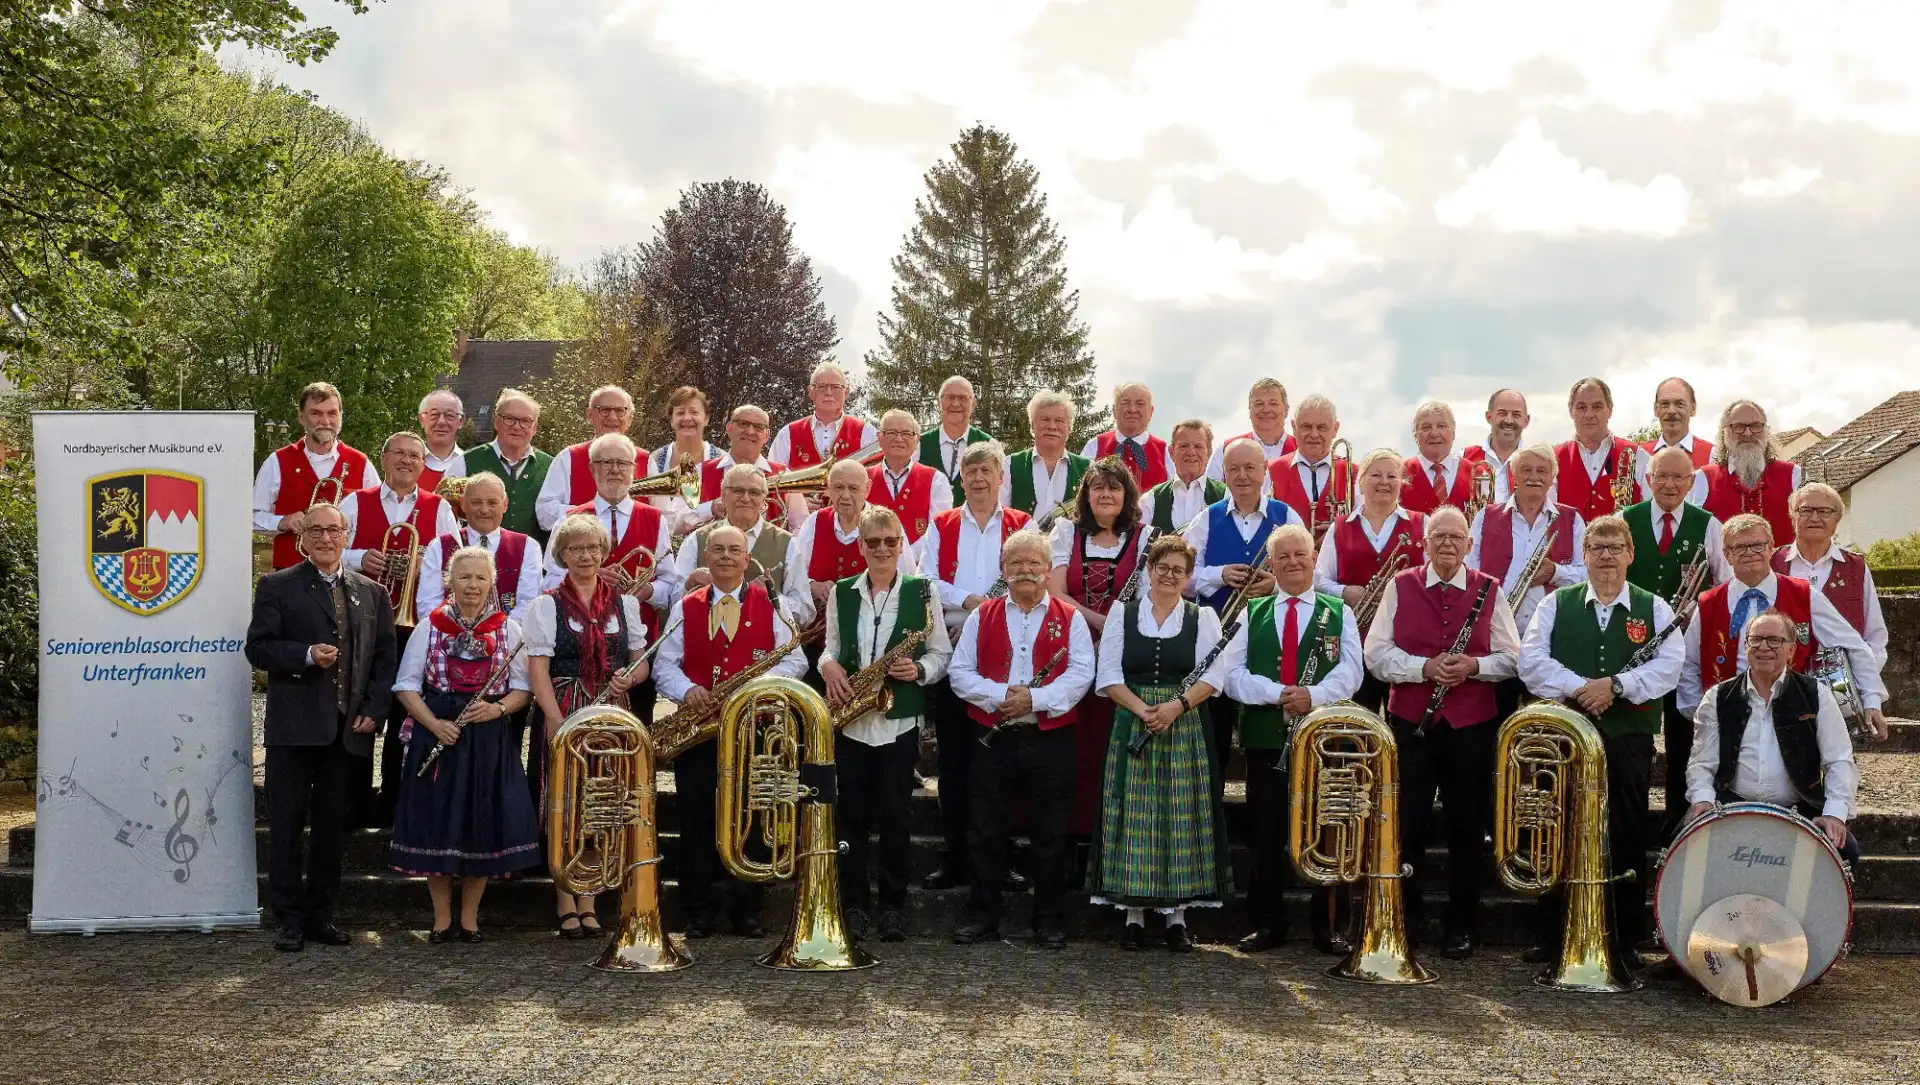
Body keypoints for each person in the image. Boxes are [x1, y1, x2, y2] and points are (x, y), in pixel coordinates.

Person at [1517, 515, 1685, 961]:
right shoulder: (1555, 604)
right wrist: (1579, 687)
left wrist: (1615, 686)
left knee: (1626, 829)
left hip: (1628, 736)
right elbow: (1530, 661)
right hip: (1565, 736)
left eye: (1615, 547)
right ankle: (1551, 933)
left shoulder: (1656, 608)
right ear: (1584, 556)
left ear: (1631, 554)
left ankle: (1624, 936)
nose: (1606, 556)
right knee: (1557, 825)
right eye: (1597, 548)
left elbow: (1670, 666)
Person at [1363, 506, 1521, 960]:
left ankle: (1462, 926)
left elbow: (1513, 658)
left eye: (1456, 537)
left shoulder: (1489, 589)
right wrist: (1423, 668)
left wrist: (1474, 666)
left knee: (1467, 828)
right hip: (1411, 722)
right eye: (1438, 536)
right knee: (1405, 824)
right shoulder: (1400, 585)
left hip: (1471, 726)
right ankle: (1403, 922)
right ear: (1425, 542)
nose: (1447, 544)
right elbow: (1376, 655)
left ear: (1469, 545)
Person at [244, 502, 398, 952]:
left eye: (334, 530)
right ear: (302, 538)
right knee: (287, 825)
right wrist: (306, 655)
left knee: (333, 828)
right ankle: (288, 918)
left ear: (347, 535)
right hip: (294, 729)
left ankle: (321, 915)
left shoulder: (372, 592)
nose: (326, 538)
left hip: (348, 731)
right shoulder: (277, 585)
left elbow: (385, 659)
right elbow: (258, 649)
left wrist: (375, 708)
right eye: (316, 531)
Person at [653, 524, 810, 938]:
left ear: (747, 559)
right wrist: (687, 690)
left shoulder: (774, 603)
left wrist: (753, 688)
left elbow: (796, 662)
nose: (725, 556)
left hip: (755, 728)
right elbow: (663, 664)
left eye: (733, 550)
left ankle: (749, 910)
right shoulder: (684, 605)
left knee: (756, 817)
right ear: (707, 557)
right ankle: (698, 911)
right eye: (717, 549)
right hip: (699, 729)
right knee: (696, 819)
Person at [948, 531, 1097, 948]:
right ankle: (983, 915)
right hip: (993, 738)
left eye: (1034, 564)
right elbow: (960, 673)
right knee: (985, 830)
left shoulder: (1070, 618)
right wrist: (1001, 698)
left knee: (1050, 834)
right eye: (1016, 563)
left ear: (1049, 571)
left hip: (1050, 740)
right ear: (1003, 570)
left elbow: (1082, 674)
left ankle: (1048, 919)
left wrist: (1035, 698)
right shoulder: (983, 615)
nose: (1025, 570)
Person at [1221, 524, 1364, 955]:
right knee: (1266, 834)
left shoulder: (1339, 612)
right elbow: (1231, 675)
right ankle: (1268, 924)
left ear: (1314, 557)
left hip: (1325, 742)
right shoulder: (1253, 612)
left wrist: (1313, 696)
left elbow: (1351, 673)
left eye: (1300, 554)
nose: (1293, 562)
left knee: (1328, 831)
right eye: (1283, 556)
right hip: (1266, 740)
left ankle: (1329, 928)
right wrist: (1277, 695)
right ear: (1273, 563)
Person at [388, 546, 540, 943]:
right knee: (439, 824)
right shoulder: (429, 626)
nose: (472, 585)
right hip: (440, 734)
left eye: (480, 578)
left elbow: (524, 688)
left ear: (492, 583)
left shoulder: (510, 629)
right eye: (464, 577)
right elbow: (406, 686)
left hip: (487, 739)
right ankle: (441, 920)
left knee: (481, 824)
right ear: (449, 581)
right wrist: (434, 724)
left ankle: (469, 920)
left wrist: (498, 710)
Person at [1090, 534, 1233, 953]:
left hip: (1184, 724)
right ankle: (1133, 917)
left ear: (1189, 578)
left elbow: (1214, 678)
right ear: (1149, 569)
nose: (1169, 575)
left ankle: (1177, 918)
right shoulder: (1122, 614)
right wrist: (1144, 710)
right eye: (1162, 567)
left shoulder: (1202, 617)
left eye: (1178, 570)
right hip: (1133, 721)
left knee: (1179, 814)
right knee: (1133, 813)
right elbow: (1108, 678)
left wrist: (1175, 707)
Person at [820, 506, 953, 943]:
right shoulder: (842, 591)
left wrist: (920, 672)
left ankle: (892, 909)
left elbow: (941, 654)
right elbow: (830, 649)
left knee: (896, 818)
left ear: (901, 545)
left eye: (890, 541)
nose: (881, 549)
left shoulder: (922, 591)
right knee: (851, 818)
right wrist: (829, 668)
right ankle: (854, 906)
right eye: (872, 542)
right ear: (860, 546)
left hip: (898, 722)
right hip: (852, 722)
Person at [524, 512, 651, 939]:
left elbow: (641, 662)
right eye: (576, 549)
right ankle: (565, 897)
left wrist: (629, 676)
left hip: (612, 711)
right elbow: (537, 671)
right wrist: (554, 720)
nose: (585, 555)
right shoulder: (546, 604)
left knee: (603, 801)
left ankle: (591, 897)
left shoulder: (625, 603)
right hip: (565, 708)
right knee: (566, 802)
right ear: (562, 554)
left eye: (593, 548)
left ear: (603, 553)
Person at [916, 442, 1031, 891]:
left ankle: (999, 859)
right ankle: (955, 858)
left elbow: (1030, 577)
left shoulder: (1021, 525)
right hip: (953, 645)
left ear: (1001, 477)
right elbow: (925, 580)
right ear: (961, 479)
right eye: (971, 472)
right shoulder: (942, 525)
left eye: (988, 471)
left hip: (1006, 651)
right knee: (955, 761)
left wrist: (990, 613)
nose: (980, 479)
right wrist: (967, 602)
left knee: (1000, 763)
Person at [341, 431, 460, 825]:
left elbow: (455, 564)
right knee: (357, 713)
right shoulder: (355, 502)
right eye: (399, 454)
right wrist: (359, 558)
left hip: (413, 627)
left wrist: (426, 559)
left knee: (403, 718)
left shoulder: (439, 506)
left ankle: (395, 805)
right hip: (360, 625)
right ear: (384, 456)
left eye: (415, 456)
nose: (407, 461)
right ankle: (353, 806)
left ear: (424, 464)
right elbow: (325, 545)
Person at [1677, 514, 1886, 736]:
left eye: (1757, 545)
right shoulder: (1708, 603)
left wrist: (1872, 700)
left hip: (1794, 720)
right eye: (1739, 547)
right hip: (1728, 723)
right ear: (1727, 555)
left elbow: (1854, 646)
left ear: (1771, 548)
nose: (1750, 552)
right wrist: (1701, 714)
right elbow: (1687, 665)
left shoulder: (1804, 595)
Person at [1684, 609, 1862, 864]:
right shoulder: (1718, 697)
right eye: (1755, 639)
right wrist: (1702, 800)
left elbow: (1839, 761)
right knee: (1682, 846)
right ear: (1745, 646)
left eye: (1774, 640)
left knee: (1845, 853)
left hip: (1798, 810)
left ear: (1791, 650)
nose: (1763, 647)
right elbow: (1701, 763)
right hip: (1731, 807)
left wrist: (1834, 815)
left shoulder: (1817, 695)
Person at [1623, 445, 1730, 833]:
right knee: (1634, 736)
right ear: (1648, 480)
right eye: (1661, 476)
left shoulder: (1709, 524)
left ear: (1691, 483)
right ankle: (1630, 822)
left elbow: (1723, 585)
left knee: (1685, 735)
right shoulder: (1625, 519)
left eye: (1678, 477)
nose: (1669, 484)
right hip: (1634, 648)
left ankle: (1678, 822)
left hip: (1688, 649)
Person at [1051, 457, 1154, 844]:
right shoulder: (1066, 533)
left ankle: (1114, 840)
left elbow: (1147, 599)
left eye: (1114, 487)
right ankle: (1071, 837)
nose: (1106, 493)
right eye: (1098, 487)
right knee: (1074, 748)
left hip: (1125, 658)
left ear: (1126, 495)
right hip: (1071, 652)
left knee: (1114, 746)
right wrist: (1100, 622)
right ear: (1087, 495)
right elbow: (1056, 593)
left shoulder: (1145, 538)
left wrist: (1115, 632)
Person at [1182, 439, 1298, 766]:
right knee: (1214, 738)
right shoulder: (1207, 518)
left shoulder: (1286, 515)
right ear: (1225, 474)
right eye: (1234, 469)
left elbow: (1309, 576)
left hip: (1272, 642)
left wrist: (1275, 584)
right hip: (1215, 641)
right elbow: (1182, 576)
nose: (1243, 475)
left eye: (1250, 468)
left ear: (1264, 472)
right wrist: (1219, 575)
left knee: (1266, 736)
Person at [1313, 447, 1425, 711]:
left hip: (1407, 642)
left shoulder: (1423, 524)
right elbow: (1318, 579)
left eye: (1392, 476)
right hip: (1354, 641)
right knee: (1357, 719)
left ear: (1402, 483)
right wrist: (1344, 592)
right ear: (1360, 481)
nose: (1384, 482)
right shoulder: (1339, 527)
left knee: (1405, 720)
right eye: (1375, 475)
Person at [1465, 443, 1585, 636]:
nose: (1534, 477)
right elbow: (1467, 572)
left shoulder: (1572, 520)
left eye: (1542, 471)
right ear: (1514, 476)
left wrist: (1555, 572)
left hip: (1555, 632)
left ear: (1552, 478)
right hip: (1495, 632)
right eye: (1526, 469)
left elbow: (1588, 575)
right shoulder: (1485, 516)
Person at [253, 381, 375, 570]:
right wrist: (282, 522)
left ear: (341, 417)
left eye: (332, 413)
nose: (325, 421)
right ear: (301, 417)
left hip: (344, 577)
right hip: (291, 575)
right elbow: (252, 517)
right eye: (316, 413)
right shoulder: (277, 461)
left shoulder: (361, 463)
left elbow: (376, 520)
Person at [784, 459, 919, 626]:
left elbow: (907, 581)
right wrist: (813, 586)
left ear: (867, 489)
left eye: (853, 489)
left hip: (874, 627)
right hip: (818, 633)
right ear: (829, 488)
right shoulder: (814, 521)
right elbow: (794, 575)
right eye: (839, 488)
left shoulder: (886, 523)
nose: (845, 496)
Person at [1774, 481, 1889, 677]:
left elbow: (1875, 636)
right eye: (1806, 510)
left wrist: (1858, 683)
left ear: (1837, 519)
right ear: (1793, 516)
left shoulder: (1856, 568)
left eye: (1824, 511)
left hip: (1842, 687)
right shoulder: (1772, 564)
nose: (1815, 517)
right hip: (1782, 684)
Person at [415, 472, 542, 626]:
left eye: (492, 503)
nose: (484, 509)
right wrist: (458, 633)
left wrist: (497, 634)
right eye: (476, 502)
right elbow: (428, 603)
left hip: (507, 643)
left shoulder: (528, 547)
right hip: (450, 641)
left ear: (505, 505)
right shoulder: (439, 545)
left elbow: (528, 604)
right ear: (463, 504)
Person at [672, 463, 793, 601]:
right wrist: (689, 584)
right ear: (723, 496)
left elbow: (804, 609)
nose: (746, 499)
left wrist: (771, 597)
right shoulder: (696, 540)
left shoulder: (788, 543)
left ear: (763, 500)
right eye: (738, 491)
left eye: (754, 492)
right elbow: (672, 601)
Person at [534, 385, 643, 532]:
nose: (612, 417)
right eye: (604, 410)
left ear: (629, 418)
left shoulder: (647, 461)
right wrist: (591, 514)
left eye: (620, 410)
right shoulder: (568, 457)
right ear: (590, 415)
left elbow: (665, 519)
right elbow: (544, 512)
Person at [1700, 399, 1803, 546]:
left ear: (1766, 431)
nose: (1748, 433)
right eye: (1738, 427)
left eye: (1755, 426)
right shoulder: (1702, 479)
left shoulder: (1794, 475)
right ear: (1724, 433)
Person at [459, 388, 552, 543]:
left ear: (534, 428)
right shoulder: (465, 462)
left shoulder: (551, 466)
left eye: (525, 421)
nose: (516, 426)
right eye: (509, 418)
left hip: (532, 564)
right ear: (496, 422)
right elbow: (447, 517)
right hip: (474, 562)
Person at [694, 403, 806, 530]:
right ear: (729, 428)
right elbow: (675, 518)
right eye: (743, 424)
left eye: (758, 427)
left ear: (766, 435)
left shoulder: (784, 475)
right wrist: (710, 508)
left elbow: (801, 526)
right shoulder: (700, 472)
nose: (750, 431)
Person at [1554, 377, 1643, 520]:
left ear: (1610, 411)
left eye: (1597, 407)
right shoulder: (1553, 459)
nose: (1589, 415)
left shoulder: (1638, 455)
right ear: (1571, 412)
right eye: (1581, 407)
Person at [1266, 394, 1351, 539]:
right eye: (1306, 427)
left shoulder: (1355, 473)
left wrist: (1342, 528)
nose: (1314, 434)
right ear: (1293, 427)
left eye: (1322, 427)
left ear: (1335, 429)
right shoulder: (1270, 470)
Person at [769, 361, 876, 473]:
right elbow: (774, 477)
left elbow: (876, 476)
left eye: (835, 387)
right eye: (821, 386)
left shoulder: (867, 433)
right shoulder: (787, 434)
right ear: (811, 392)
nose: (828, 392)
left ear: (846, 392)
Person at [644, 385, 724, 532]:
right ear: (672, 420)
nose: (687, 418)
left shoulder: (723, 460)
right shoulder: (655, 460)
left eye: (694, 412)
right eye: (680, 413)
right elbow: (655, 515)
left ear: (706, 419)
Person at [867, 408, 952, 544]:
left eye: (906, 433)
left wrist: (906, 559)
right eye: (891, 433)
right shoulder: (862, 479)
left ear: (916, 439)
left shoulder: (937, 480)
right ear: (879, 438)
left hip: (920, 563)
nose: (899, 439)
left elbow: (939, 530)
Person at [1002, 390, 1089, 517]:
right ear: (1032, 426)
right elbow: (1001, 514)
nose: (1052, 426)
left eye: (1059, 420)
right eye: (1045, 419)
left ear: (1069, 428)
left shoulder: (1088, 468)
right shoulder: (1009, 465)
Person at [1082, 381, 1175, 491]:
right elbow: (1082, 492)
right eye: (1125, 403)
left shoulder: (1163, 451)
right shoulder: (1094, 446)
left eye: (1140, 404)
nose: (1132, 409)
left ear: (1151, 411)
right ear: (1114, 410)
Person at [917, 375, 994, 505]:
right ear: (939, 402)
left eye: (963, 398)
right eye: (950, 397)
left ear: (973, 404)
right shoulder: (919, 444)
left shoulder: (990, 445)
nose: (956, 403)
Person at [1634, 377, 1715, 495]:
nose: (1671, 410)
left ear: (1693, 408)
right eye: (1665, 404)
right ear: (1656, 409)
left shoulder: (1713, 455)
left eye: (1679, 404)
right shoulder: (1639, 454)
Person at [1140, 418, 1223, 533]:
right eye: (1183, 446)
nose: (1191, 452)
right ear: (1171, 452)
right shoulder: (1150, 500)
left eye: (1198, 446)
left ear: (1209, 452)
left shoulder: (1226, 495)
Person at [1206, 378, 1296, 481]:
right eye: (1259, 404)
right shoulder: (1227, 450)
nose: (1266, 410)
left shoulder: (1301, 450)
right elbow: (1211, 494)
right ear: (1249, 409)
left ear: (1286, 410)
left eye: (1273, 403)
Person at [1400, 401, 1475, 515]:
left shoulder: (1477, 474)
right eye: (1426, 427)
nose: (1434, 433)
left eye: (1441, 426)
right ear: (1415, 436)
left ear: (1453, 433)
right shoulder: (1399, 474)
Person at [1459, 388, 1529, 503]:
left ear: (1526, 420)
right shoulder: (1463, 458)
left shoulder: (1538, 462)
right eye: (1502, 413)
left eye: (1516, 415)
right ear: (1489, 417)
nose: (1509, 420)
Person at [416, 389, 466, 493]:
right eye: (434, 415)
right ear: (421, 419)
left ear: (460, 421)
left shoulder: (470, 464)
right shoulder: (406, 466)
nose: (441, 422)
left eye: (449, 415)